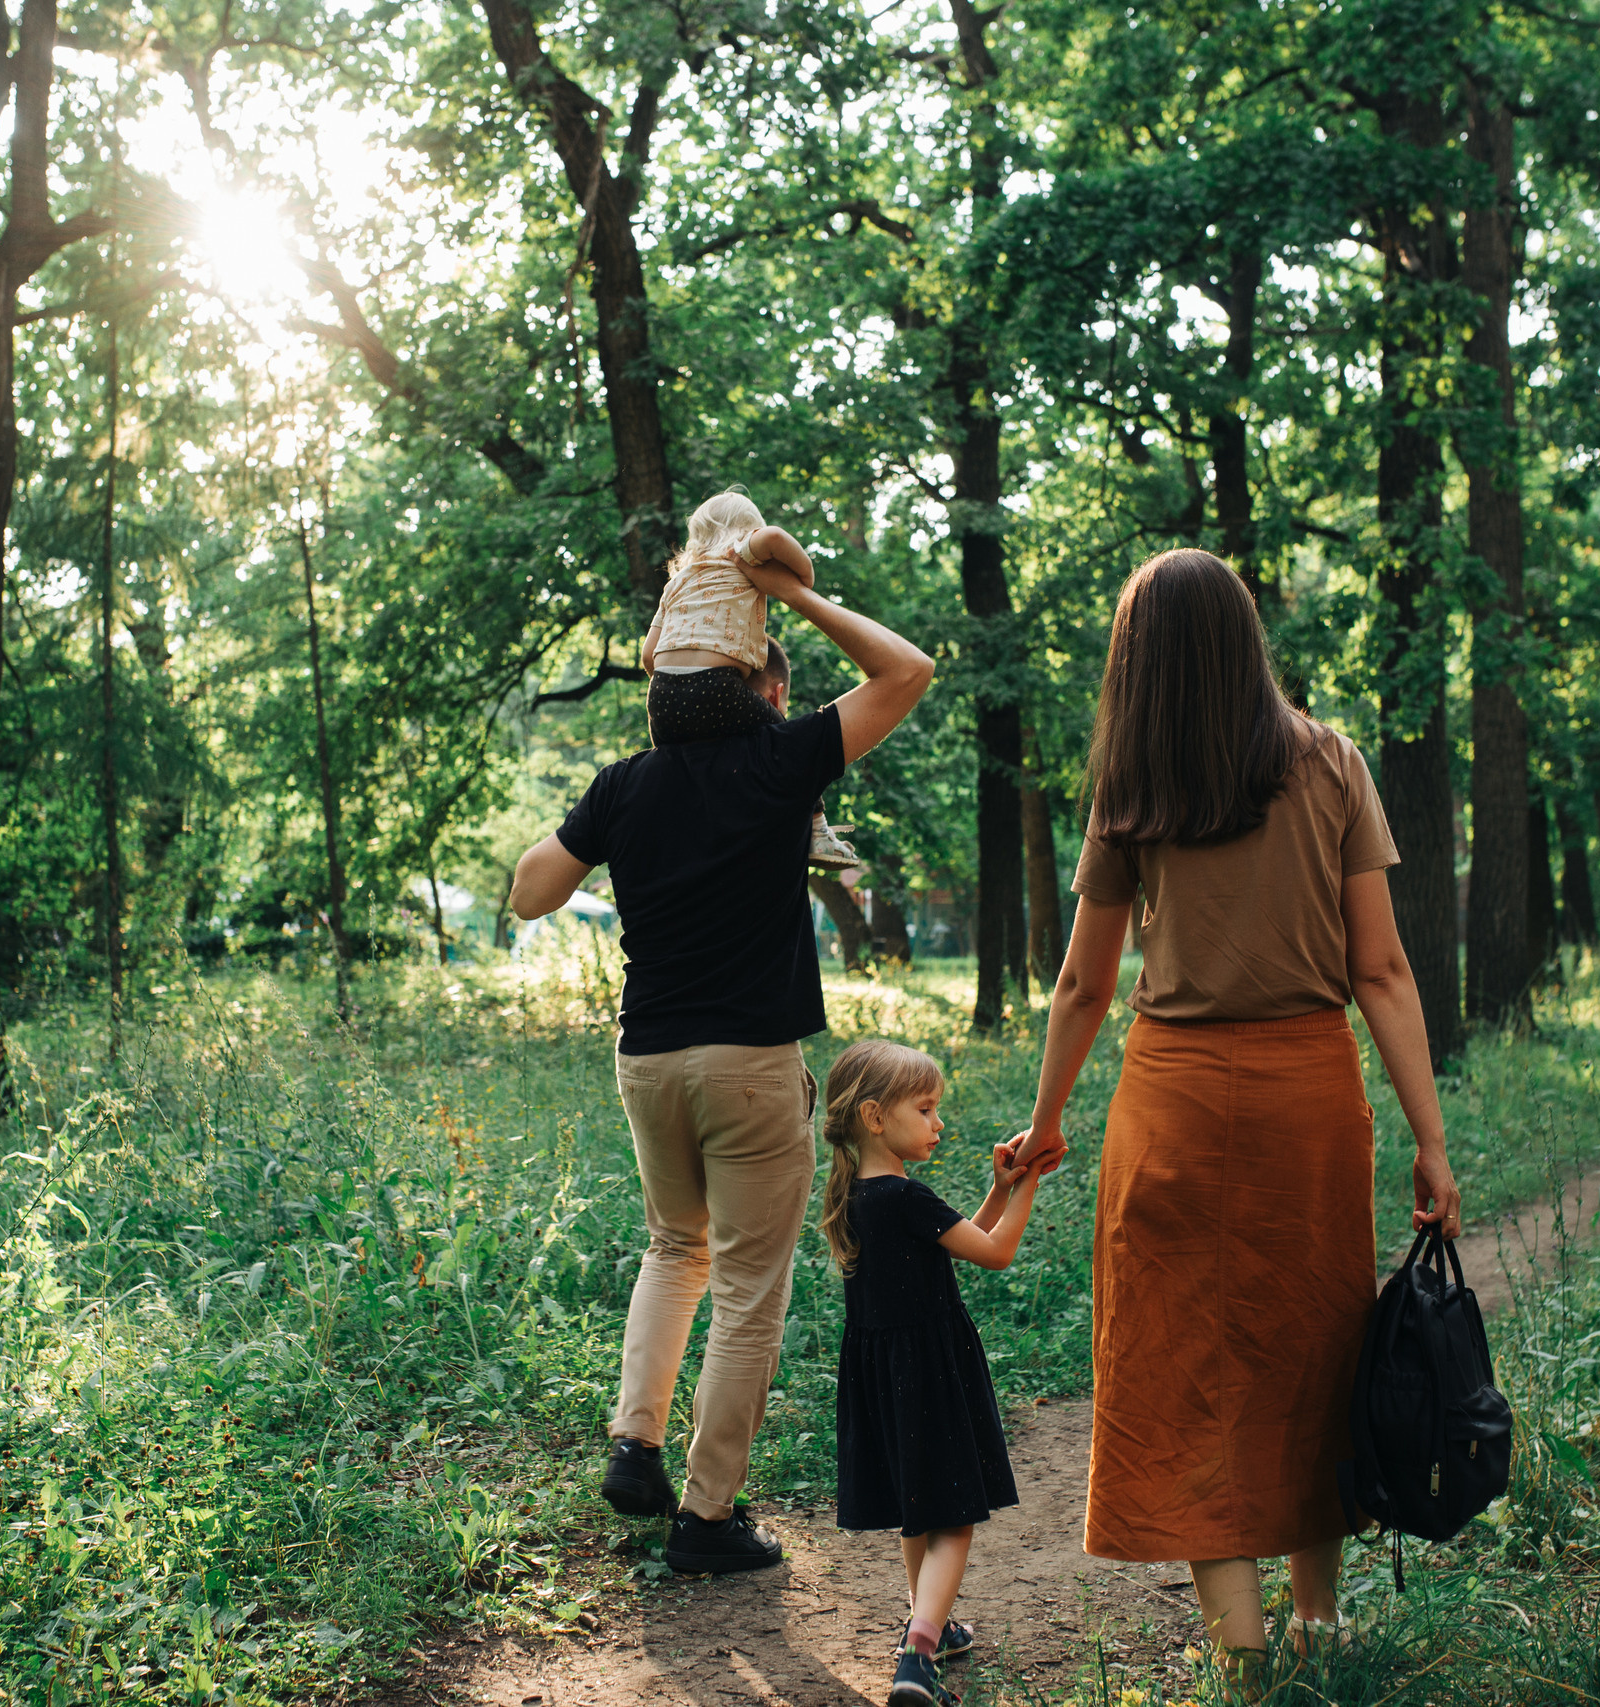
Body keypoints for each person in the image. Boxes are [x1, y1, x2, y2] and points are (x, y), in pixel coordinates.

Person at [1008, 549, 1462, 1697]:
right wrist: (1430, 1138)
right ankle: (1318, 1627)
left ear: (1139, 659)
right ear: (1245, 638)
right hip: (1307, 1103)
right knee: (1314, 1350)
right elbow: (1382, 969)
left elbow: (1083, 985)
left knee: (1182, 1365)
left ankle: (1241, 1656)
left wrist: (1046, 1121)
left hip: (1168, 1103)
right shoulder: (1332, 762)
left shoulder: (1133, 786)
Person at [508, 554, 933, 1575]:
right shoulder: (782, 760)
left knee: (673, 1247)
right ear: (751, 678)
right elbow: (907, 671)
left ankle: (635, 1442)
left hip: (648, 1059)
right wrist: (793, 595)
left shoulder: (623, 785)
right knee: (746, 1288)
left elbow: (527, 893)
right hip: (749, 1062)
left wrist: (601, 828)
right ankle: (706, 1518)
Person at [819, 1039, 1039, 1707]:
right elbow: (995, 1252)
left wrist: (999, 1189)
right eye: (925, 1108)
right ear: (874, 1116)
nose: (937, 1122)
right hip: (930, 1372)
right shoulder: (907, 1196)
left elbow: (962, 1237)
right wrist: (1029, 1182)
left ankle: (932, 1627)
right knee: (952, 1518)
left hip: (883, 1377)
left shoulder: (856, 1195)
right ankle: (917, 1655)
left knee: (919, 1511)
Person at [642, 490, 860, 869]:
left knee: (683, 769)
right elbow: (774, 537)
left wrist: (678, 684)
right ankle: (818, 830)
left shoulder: (675, 584)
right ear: (747, 529)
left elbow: (649, 656)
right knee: (788, 745)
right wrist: (804, 576)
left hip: (660, 700)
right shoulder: (742, 552)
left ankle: (685, 833)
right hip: (716, 686)